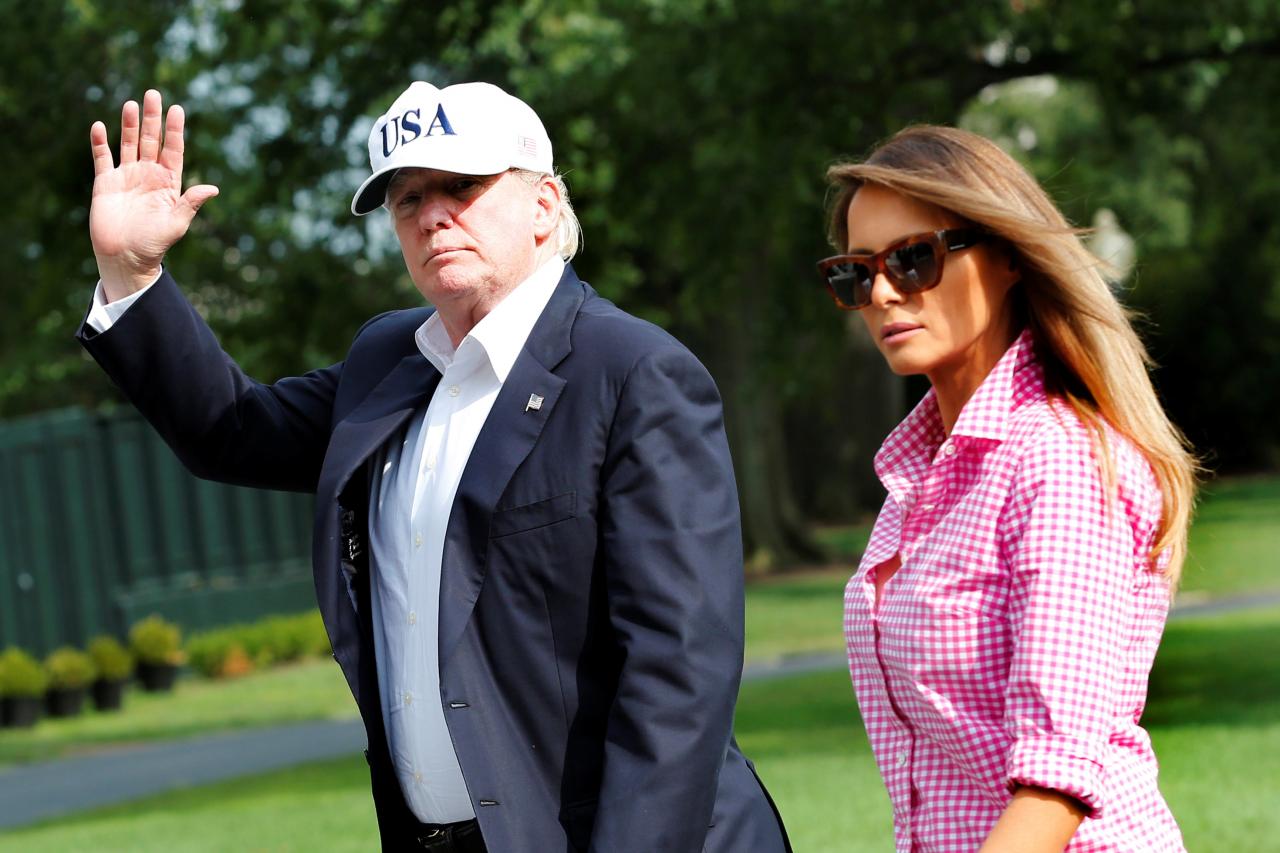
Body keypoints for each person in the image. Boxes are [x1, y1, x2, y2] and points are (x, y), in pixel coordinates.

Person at [79, 82, 790, 853]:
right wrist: (132, 277)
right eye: (407, 197)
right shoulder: (387, 360)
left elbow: (679, 669)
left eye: (463, 186)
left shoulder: (635, 373)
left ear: (545, 205)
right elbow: (232, 432)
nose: (432, 215)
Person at [818, 125, 1196, 852]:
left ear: (1008, 256)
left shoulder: (1057, 461)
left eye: (914, 258)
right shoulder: (922, 476)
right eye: (857, 272)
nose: (885, 293)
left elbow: (1057, 777)